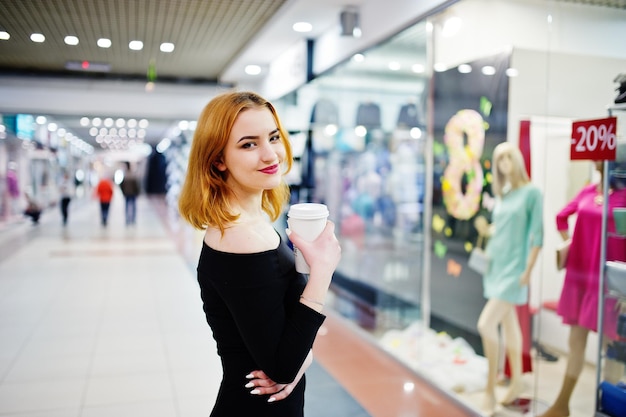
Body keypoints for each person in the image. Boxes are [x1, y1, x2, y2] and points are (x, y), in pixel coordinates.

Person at [177, 91, 341, 417]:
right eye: (249, 144)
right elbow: (282, 366)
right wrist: (322, 271)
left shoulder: (250, 222)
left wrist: (298, 361)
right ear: (218, 160)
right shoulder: (241, 238)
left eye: (274, 137)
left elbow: (283, 343)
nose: (271, 155)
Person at [538, 161, 626, 417]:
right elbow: (561, 216)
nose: (596, 160)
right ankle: (561, 404)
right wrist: (571, 244)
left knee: (611, 351)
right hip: (582, 278)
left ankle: (609, 411)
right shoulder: (589, 191)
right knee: (575, 342)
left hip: (611, 285)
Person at [473, 142, 543, 416]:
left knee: (485, 324)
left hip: (514, 270)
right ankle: (517, 382)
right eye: (499, 160)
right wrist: (486, 229)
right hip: (495, 265)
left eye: (507, 158)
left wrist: (528, 270)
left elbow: (538, 235)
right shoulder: (504, 194)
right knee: (508, 324)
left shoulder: (531, 193)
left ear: (517, 160)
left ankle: (490, 388)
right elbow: (502, 228)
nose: (503, 164)